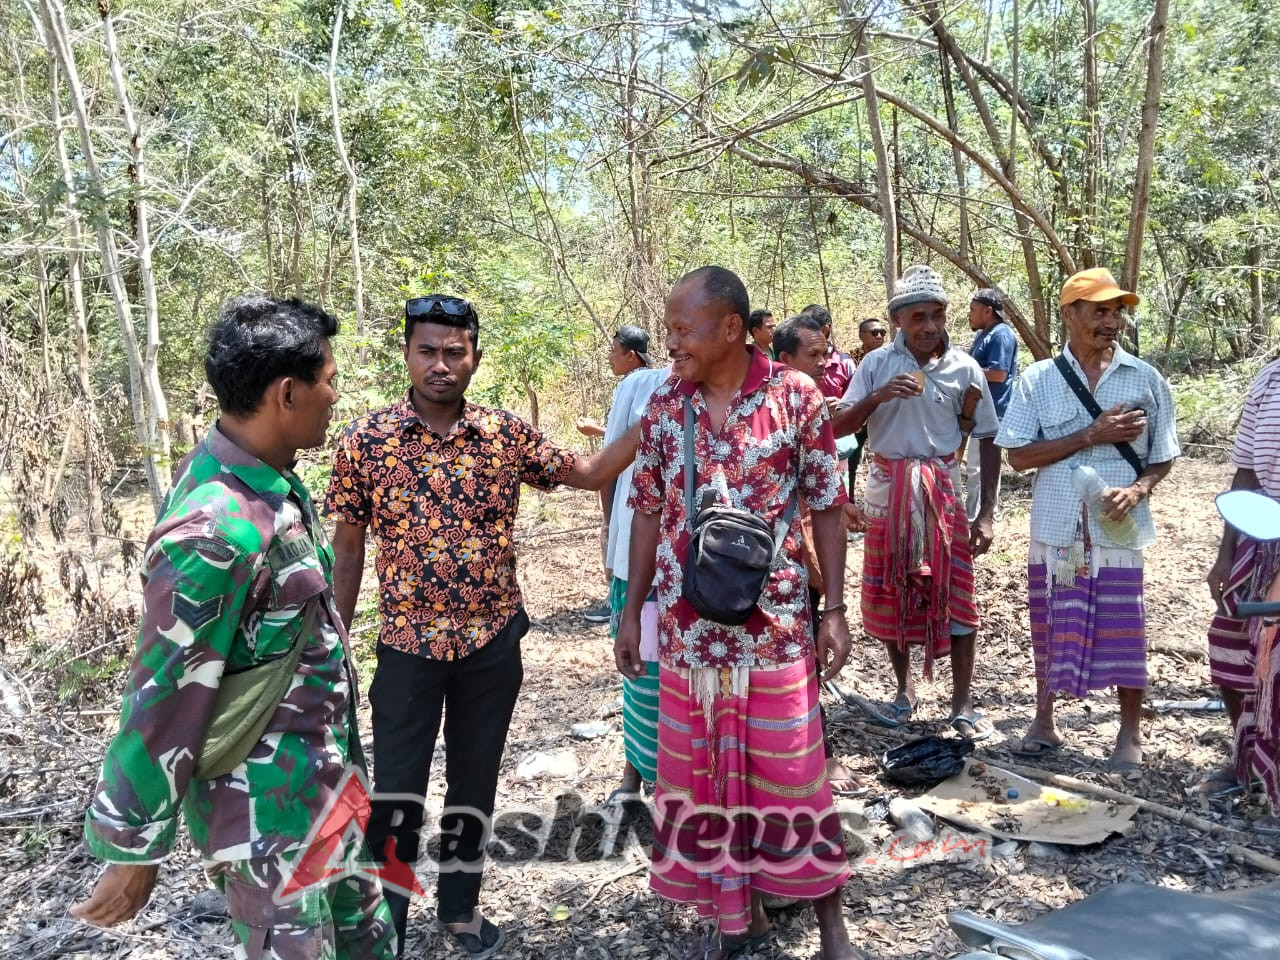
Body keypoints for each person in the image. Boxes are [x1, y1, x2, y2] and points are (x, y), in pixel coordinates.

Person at [72, 295, 396, 959]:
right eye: (329, 380)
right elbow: (164, 691)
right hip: (270, 824)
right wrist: (134, 848)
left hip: (325, 788)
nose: (336, 396)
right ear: (286, 393)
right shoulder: (216, 526)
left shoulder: (266, 482)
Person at [325, 294, 639, 958]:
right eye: (427, 351)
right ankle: (387, 927)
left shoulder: (504, 434)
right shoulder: (365, 440)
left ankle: (460, 910)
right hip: (407, 647)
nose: (440, 364)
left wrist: (656, 416)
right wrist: (336, 643)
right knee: (397, 791)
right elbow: (347, 550)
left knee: (475, 779)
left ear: (474, 357)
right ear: (407, 355)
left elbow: (588, 473)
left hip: (491, 644)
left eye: (454, 352)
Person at [617, 267, 863, 960]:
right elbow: (645, 512)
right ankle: (738, 915)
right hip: (688, 630)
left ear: (731, 328)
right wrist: (632, 612)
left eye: (683, 330)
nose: (672, 343)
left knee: (794, 772)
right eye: (669, 330)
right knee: (706, 778)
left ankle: (831, 927)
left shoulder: (796, 396)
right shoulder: (666, 405)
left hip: (775, 624)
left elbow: (827, 504)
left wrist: (834, 609)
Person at [996, 268, 1179, 777]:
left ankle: (1129, 733)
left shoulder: (1145, 379)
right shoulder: (1038, 380)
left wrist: (1139, 489)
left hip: (1118, 527)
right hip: (1057, 526)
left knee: (1125, 625)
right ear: (1069, 314)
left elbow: (1163, 455)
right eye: (1099, 311)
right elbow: (1018, 456)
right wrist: (1089, 435)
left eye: (1116, 311)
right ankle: (1044, 721)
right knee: (1050, 622)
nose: (1111, 321)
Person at [832, 265, 1001, 740]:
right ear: (898, 320)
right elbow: (839, 426)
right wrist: (880, 396)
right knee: (894, 591)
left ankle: (962, 702)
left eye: (937, 315)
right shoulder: (876, 365)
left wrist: (986, 513)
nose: (930, 326)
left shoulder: (965, 367)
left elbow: (989, 437)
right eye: (918, 317)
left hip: (944, 495)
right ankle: (904, 690)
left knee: (958, 595)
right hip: (887, 491)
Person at [576, 325, 669, 818]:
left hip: (702, 566)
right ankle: (635, 773)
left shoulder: (736, 389)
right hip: (641, 556)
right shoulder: (641, 386)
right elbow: (608, 466)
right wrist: (613, 532)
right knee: (642, 667)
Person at [773, 313, 868, 798]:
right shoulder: (768, 409)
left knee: (808, 651)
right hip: (774, 556)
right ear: (784, 359)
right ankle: (810, 753)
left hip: (807, 549)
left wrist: (840, 503)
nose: (823, 363)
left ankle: (817, 749)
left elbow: (821, 475)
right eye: (812, 355)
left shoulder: (813, 403)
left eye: (825, 354)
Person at [1200, 360, 1280, 796]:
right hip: (1262, 533)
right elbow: (1246, 472)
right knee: (1230, 646)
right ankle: (1247, 758)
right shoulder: (1269, 379)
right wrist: (1225, 555)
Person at [577, 326, 658, 625]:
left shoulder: (632, 384)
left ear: (631, 355)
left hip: (627, 484)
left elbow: (615, 444)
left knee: (622, 542)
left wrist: (601, 487)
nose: (610, 357)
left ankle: (621, 610)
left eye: (614, 351)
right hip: (650, 484)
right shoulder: (657, 381)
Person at [966, 288, 1019, 522]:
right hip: (977, 409)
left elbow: (998, 373)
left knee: (982, 466)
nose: (970, 314)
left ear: (988, 311)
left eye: (973, 309)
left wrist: (966, 372)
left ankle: (982, 514)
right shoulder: (984, 334)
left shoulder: (1001, 335)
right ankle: (976, 511)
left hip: (993, 411)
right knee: (975, 466)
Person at [847, 317, 889, 493]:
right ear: (861, 336)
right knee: (851, 460)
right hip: (859, 418)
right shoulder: (849, 359)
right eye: (874, 333)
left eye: (882, 332)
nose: (879, 336)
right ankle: (849, 499)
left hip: (885, 417)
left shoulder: (892, 358)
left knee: (888, 458)